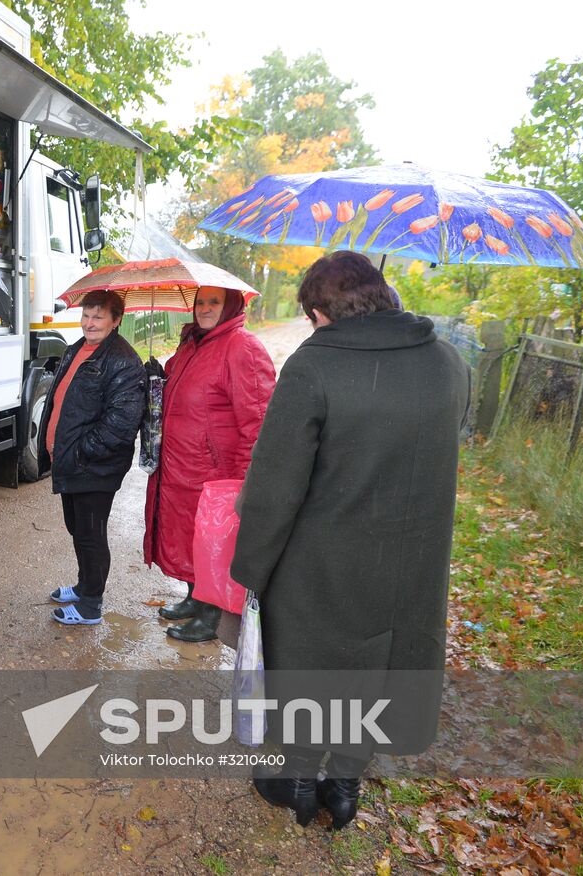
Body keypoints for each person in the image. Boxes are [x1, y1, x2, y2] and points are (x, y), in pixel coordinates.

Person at [230, 251, 469, 828]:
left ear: (320, 312)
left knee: (317, 661)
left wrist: (251, 568)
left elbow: (274, 486)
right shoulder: (450, 362)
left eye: (311, 319)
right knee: (383, 661)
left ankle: (299, 778)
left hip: (325, 558)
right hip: (414, 558)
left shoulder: (315, 368)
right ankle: (344, 784)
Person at [143, 285, 275, 643]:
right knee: (188, 537)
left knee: (213, 542)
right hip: (182, 465)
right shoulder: (192, 344)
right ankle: (194, 597)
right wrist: (158, 377)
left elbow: (259, 421)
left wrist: (250, 479)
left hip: (217, 472)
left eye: (213, 302)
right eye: (200, 302)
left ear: (230, 305)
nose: (204, 309)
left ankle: (212, 616)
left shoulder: (243, 348)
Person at [38, 289, 146, 626]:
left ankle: (91, 605)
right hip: (71, 462)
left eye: (98, 316)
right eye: (86, 314)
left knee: (91, 533)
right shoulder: (76, 349)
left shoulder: (124, 361)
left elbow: (121, 424)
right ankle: (85, 585)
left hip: (93, 466)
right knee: (77, 528)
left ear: (116, 320)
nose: (90, 322)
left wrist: (81, 451)